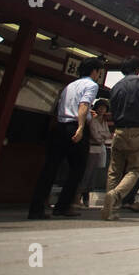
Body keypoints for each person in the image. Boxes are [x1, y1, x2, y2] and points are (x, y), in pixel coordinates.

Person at [29, 56, 105, 219]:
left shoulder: (70, 85)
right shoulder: (91, 85)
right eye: (99, 71)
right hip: (75, 127)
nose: (99, 75)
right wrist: (81, 127)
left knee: (50, 168)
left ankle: (36, 208)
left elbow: (62, 105)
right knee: (77, 169)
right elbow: (83, 105)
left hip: (60, 125)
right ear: (94, 71)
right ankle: (63, 206)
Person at [103, 57, 139, 221]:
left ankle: (110, 208)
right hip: (137, 130)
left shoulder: (116, 86)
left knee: (114, 170)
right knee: (134, 169)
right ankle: (115, 195)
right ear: (137, 69)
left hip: (118, 130)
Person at [78, 98, 111, 207]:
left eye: (104, 108)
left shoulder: (104, 122)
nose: (102, 110)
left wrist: (102, 137)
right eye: (100, 107)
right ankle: (78, 197)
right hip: (92, 148)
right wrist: (103, 137)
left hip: (99, 149)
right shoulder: (92, 120)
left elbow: (107, 134)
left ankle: (86, 196)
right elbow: (97, 136)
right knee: (86, 173)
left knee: (92, 175)